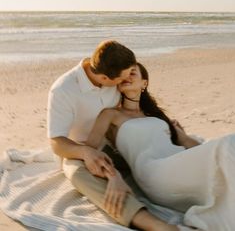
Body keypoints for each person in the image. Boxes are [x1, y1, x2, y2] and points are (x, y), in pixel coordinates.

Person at [86, 62, 235, 231]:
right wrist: (113, 176)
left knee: (228, 149)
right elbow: (90, 150)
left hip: (177, 163)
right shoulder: (111, 114)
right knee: (229, 143)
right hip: (154, 172)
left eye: (133, 73)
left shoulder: (158, 117)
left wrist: (184, 137)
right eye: (124, 74)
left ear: (144, 83)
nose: (127, 76)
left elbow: (195, 148)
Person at [47, 40, 179, 231]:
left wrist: (166, 124)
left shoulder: (113, 67)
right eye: (122, 79)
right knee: (76, 173)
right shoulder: (63, 90)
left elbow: (134, 100)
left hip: (119, 142)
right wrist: (86, 153)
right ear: (104, 78)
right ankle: (149, 222)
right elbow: (56, 142)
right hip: (81, 149)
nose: (125, 81)